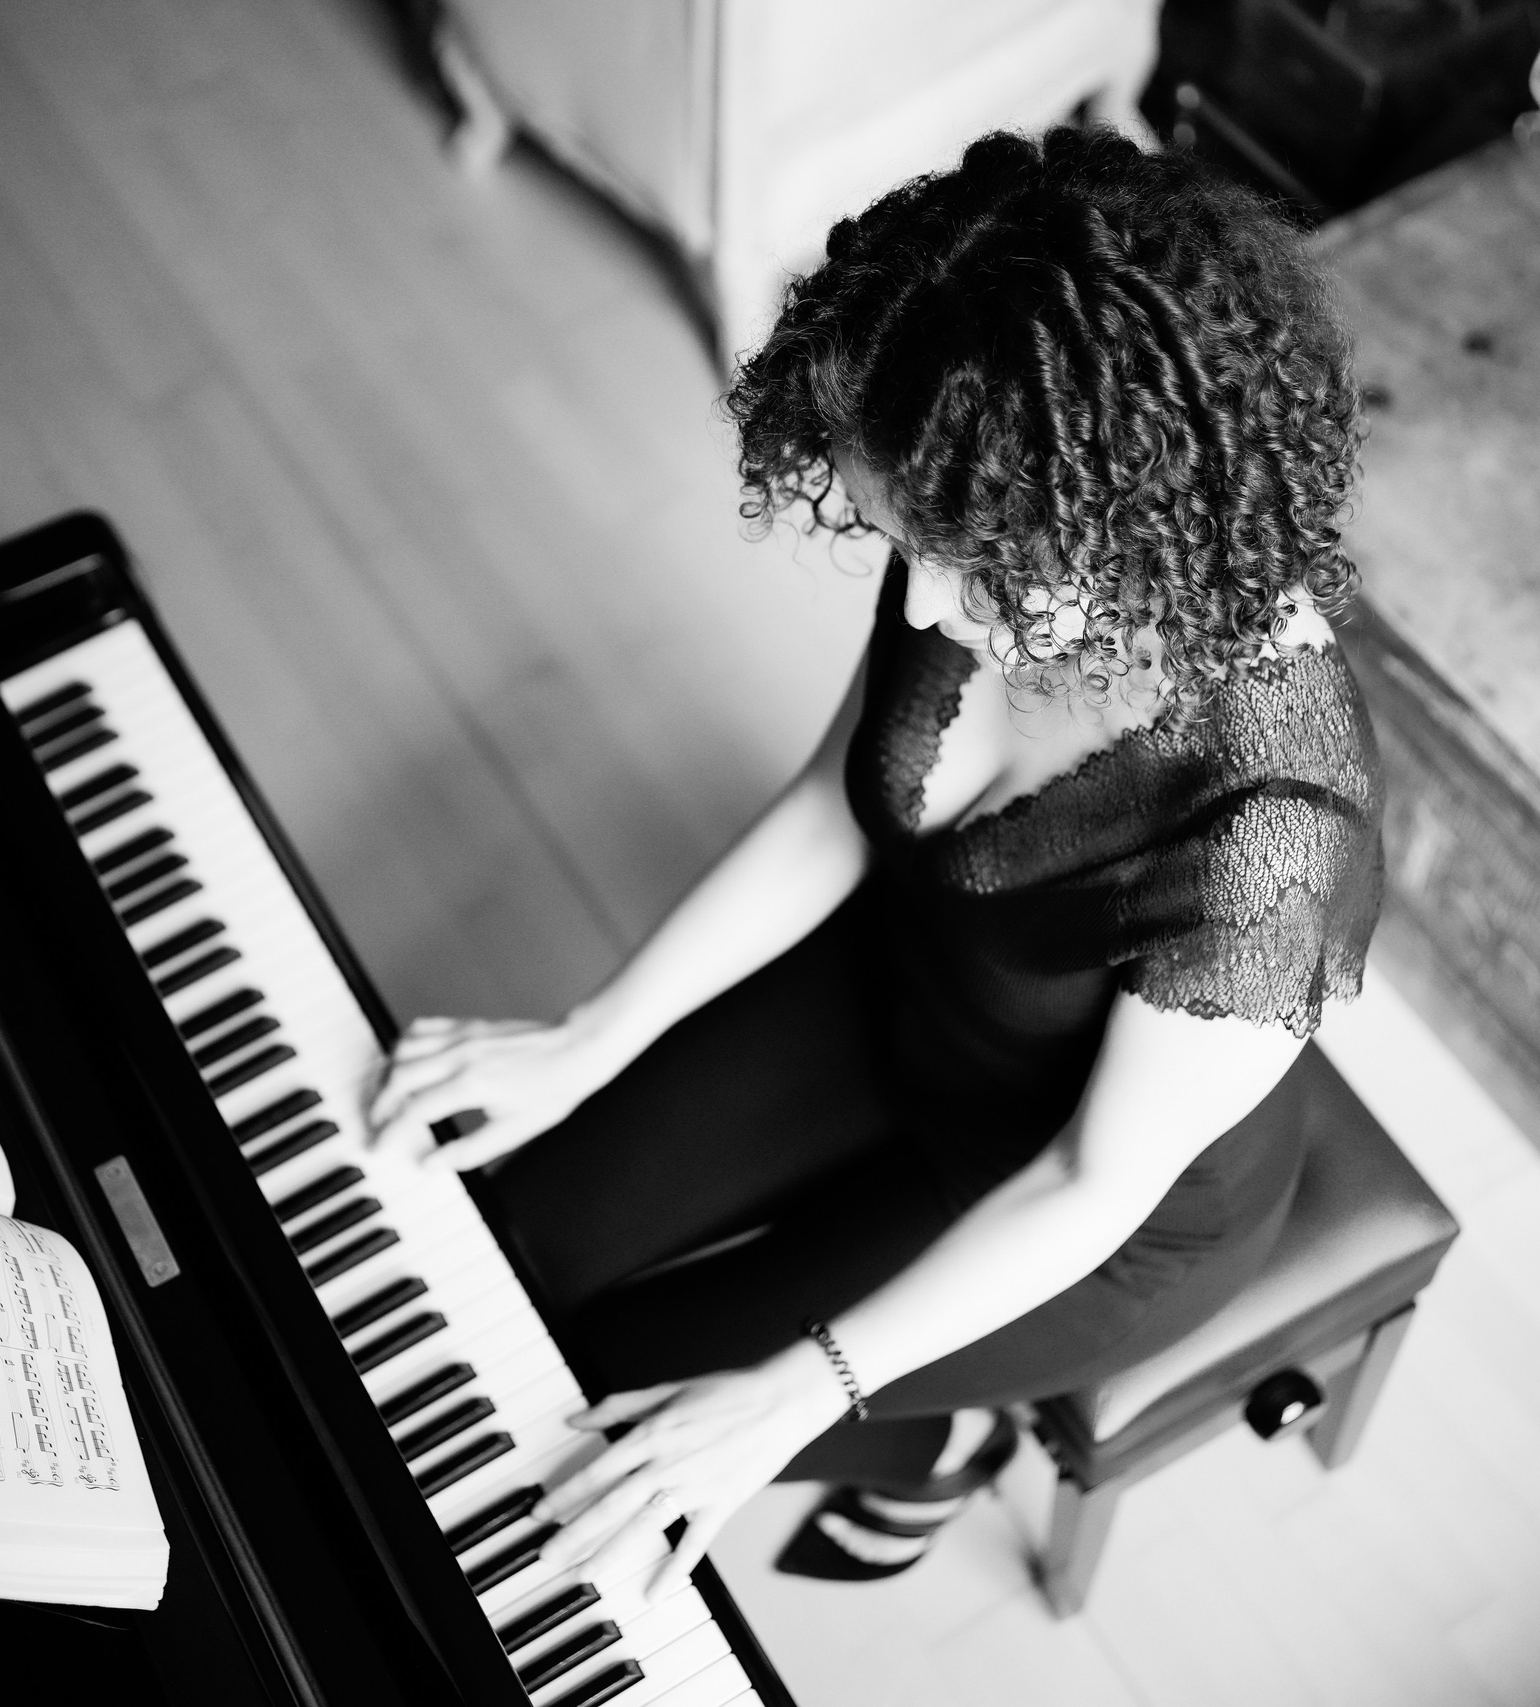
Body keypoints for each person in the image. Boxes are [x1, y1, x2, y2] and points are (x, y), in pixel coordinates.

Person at [365, 123, 1382, 1602]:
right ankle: (900, 1428)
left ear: (1119, 525)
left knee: (600, 1392)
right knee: (507, 1234)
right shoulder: (980, 529)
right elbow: (839, 808)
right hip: (911, 987)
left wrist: (796, 1391)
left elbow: (1092, 1184)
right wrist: (589, 1039)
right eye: (905, 534)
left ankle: (926, 1447)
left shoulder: (1279, 839)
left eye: (964, 560)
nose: (920, 596)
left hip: (1091, 1205)